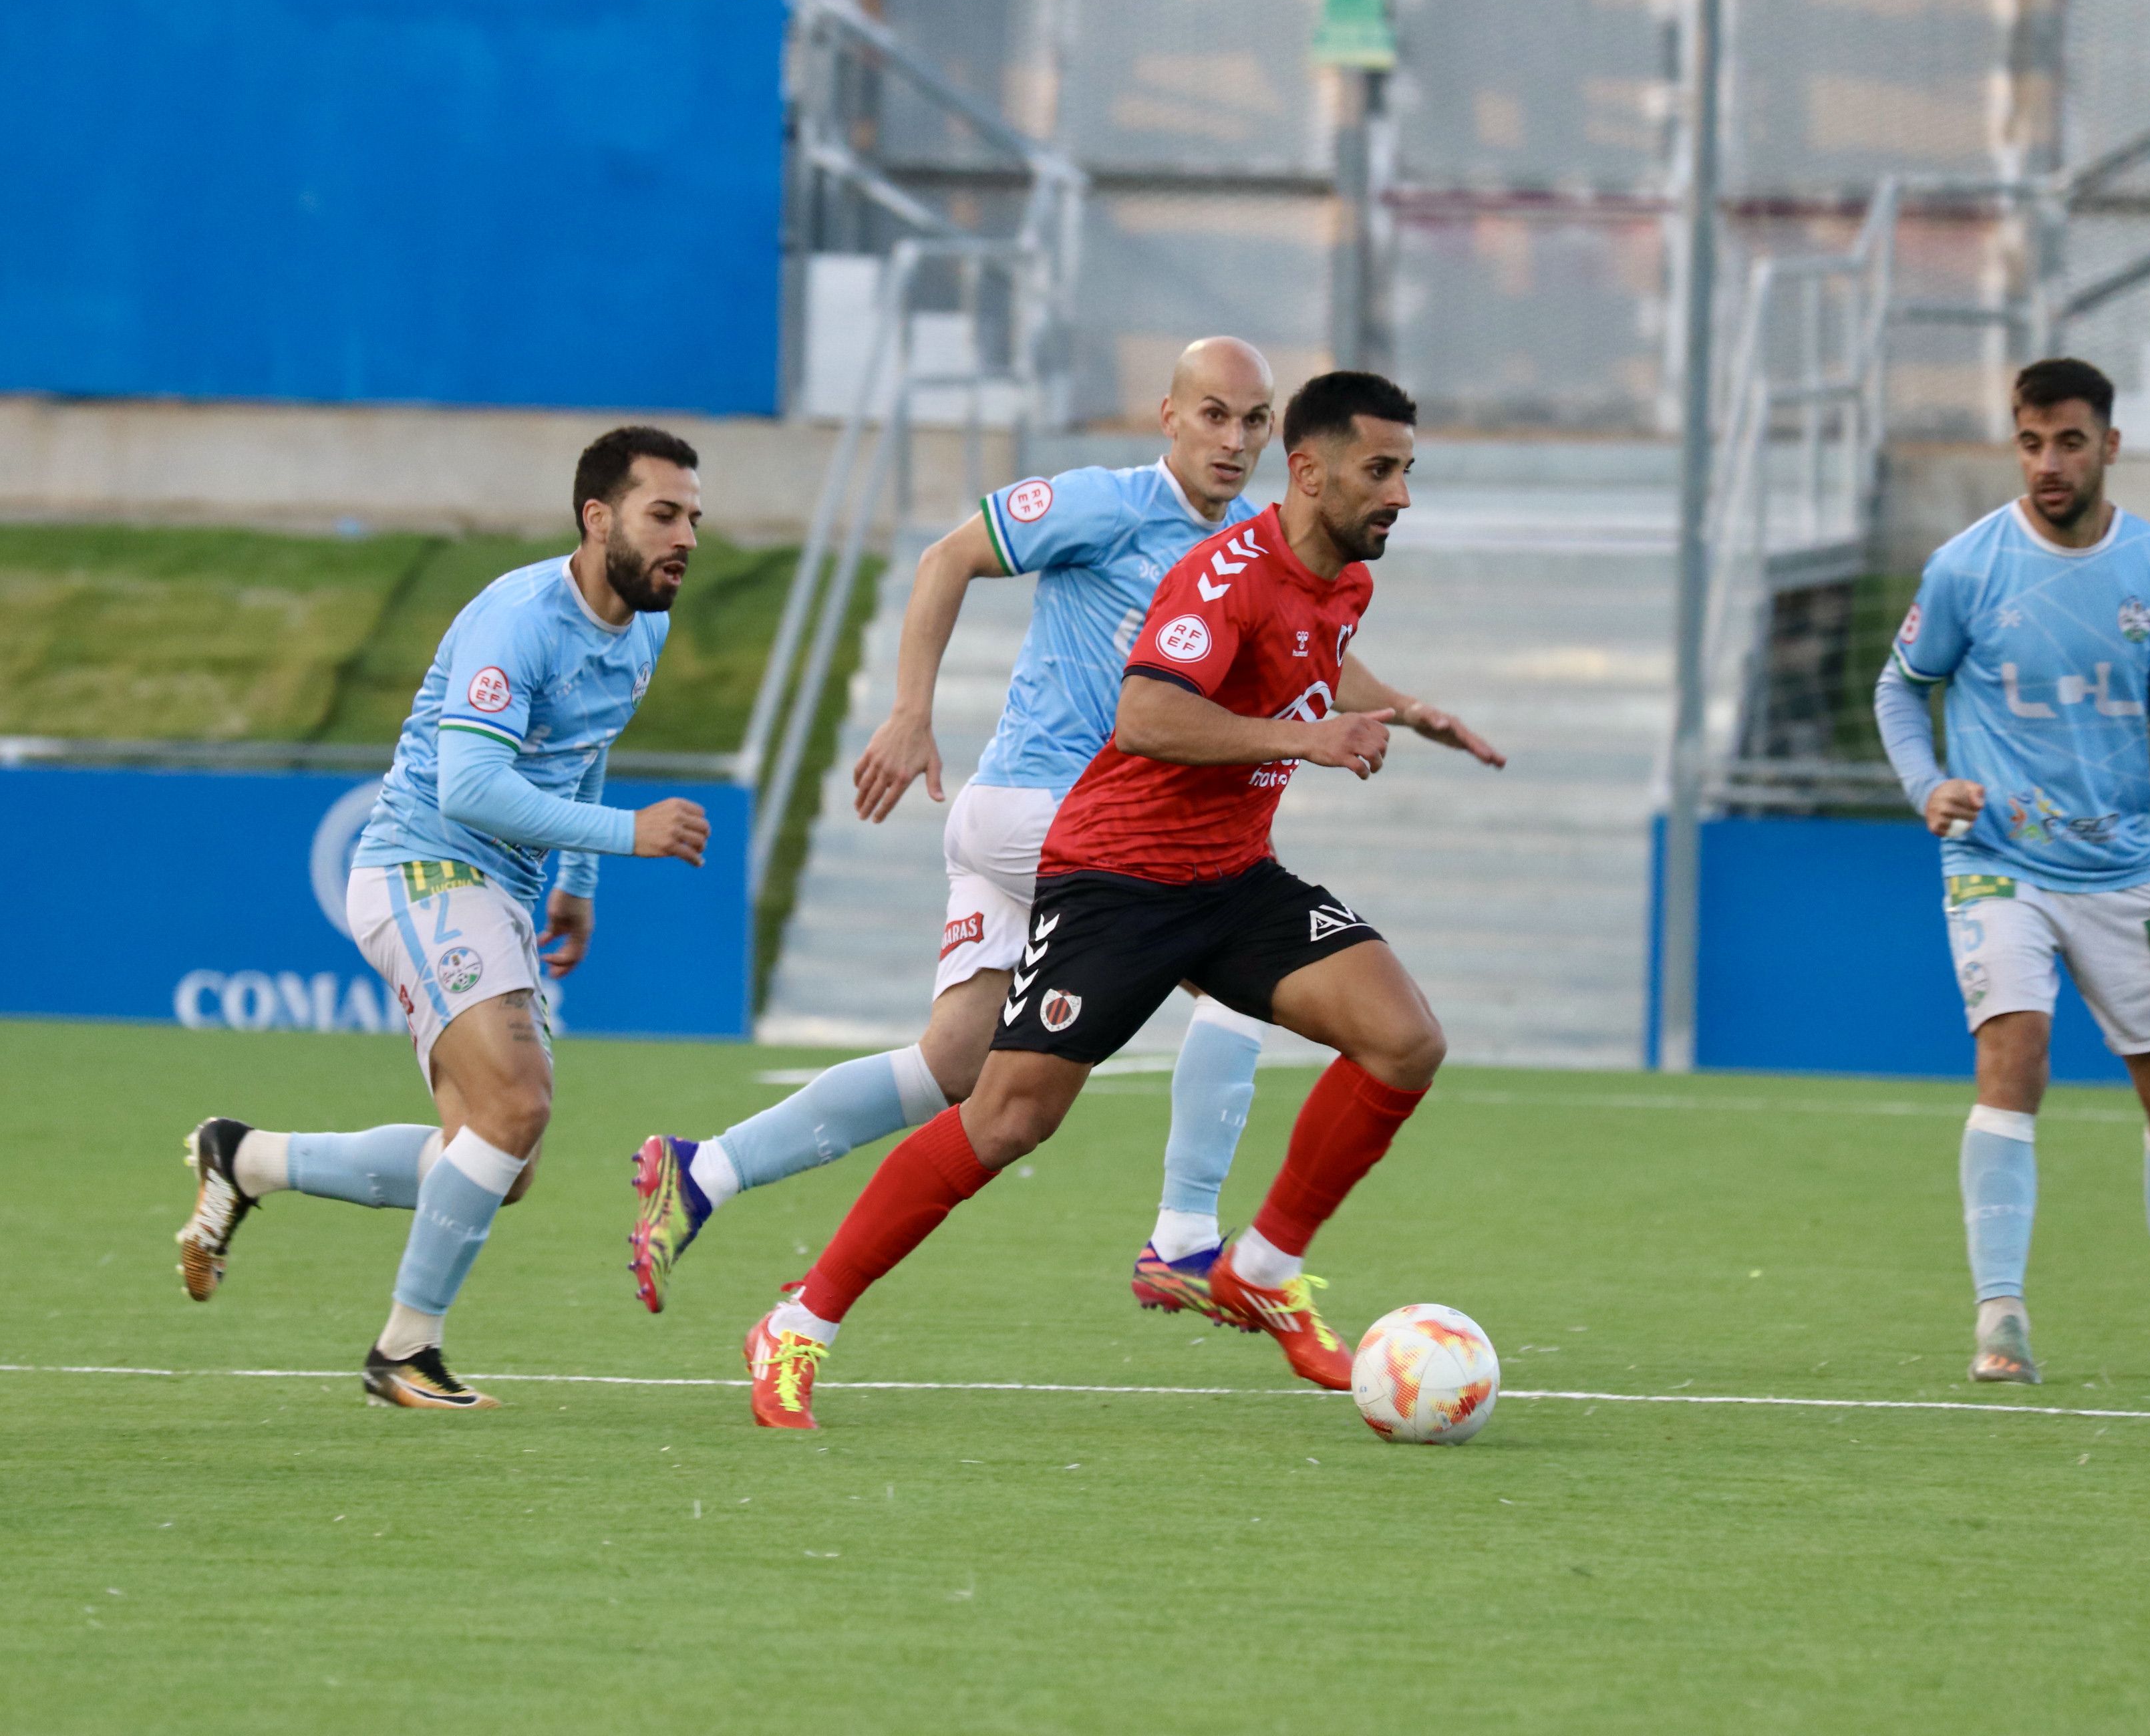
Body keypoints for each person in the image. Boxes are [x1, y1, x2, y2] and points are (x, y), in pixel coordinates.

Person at [631, 341, 1499, 1326]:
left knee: (954, 1072)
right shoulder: (1109, 506)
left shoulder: (1266, 546)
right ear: (1168, 417)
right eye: (1212, 414)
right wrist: (912, 711)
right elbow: (947, 555)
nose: (1233, 438)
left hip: (1060, 831)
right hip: (1043, 813)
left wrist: (1410, 710)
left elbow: (1300, 654)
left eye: (1253, 420)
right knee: (1224, 951)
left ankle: (707, 1170)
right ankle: (1183, 1239)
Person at [174, 426, 713, 1411]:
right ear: (598, 520)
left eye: (693, 519)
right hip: (422, 865)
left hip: (499, 890)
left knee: (496, 1163)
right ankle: (404, 1355)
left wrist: (580, 877)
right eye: (663, 515)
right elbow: (467, 788)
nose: (685, 537)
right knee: (517, 1104)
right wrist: (629, 835)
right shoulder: (518, 619)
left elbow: (589, 743)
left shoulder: (645, 624)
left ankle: (244, 1159)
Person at [1874, 356, 2150, 1385]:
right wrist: (1928, 788)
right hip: (1998, 861)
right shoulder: (1968, 565)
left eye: (2070, 442)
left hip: (2126, 869)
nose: (2048, 462)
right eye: (2031, 441)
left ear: (2110, 447)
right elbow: (1900, 690)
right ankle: (2001, 1321)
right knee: (2018, 1052)